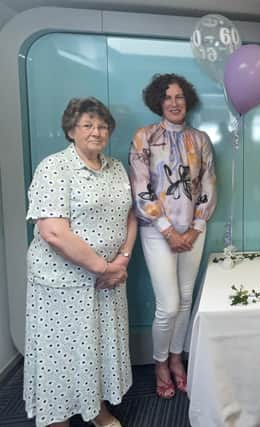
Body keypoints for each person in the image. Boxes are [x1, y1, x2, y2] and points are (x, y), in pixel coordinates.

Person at [24, 97, 137, 427]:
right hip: (64, 285)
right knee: (61, 356)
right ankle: (57, 418)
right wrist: (105, 268)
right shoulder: (54, 167)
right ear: (71, 130)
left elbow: (130, 216)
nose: (96, 131)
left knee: (97, 349)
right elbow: (54, 232)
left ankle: (97, 411)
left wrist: (122, 259)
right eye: (87, 125)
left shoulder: (115, 167)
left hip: (107, 283)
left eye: (102, 126)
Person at [129, 73, 216, 399]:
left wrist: (196, 227)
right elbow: (140, 187)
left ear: (187, 100)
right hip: (157, 232)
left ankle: (178, 358)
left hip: (194, 231)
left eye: (179, 97)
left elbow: (208, 184)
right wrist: (167, 229)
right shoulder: (144, 138)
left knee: (184, 299)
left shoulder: (201, 140)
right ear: (158, 102)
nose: (174, 102)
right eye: (168, 97)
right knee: (167, 306)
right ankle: (160, 363)